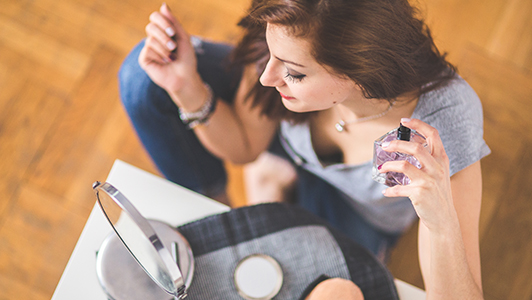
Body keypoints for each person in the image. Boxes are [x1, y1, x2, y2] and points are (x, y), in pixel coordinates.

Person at [118, 0, 489, 298]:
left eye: (294, 73)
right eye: (272, 54)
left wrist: (442, 225)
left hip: (356, 215)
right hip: (279, 151)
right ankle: (223, 207)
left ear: (359, 73)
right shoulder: (288, 32)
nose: (267, 77)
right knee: (144, 81)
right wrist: (187, 88)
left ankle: (271, 187)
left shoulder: (442, 126)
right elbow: (246, 147)